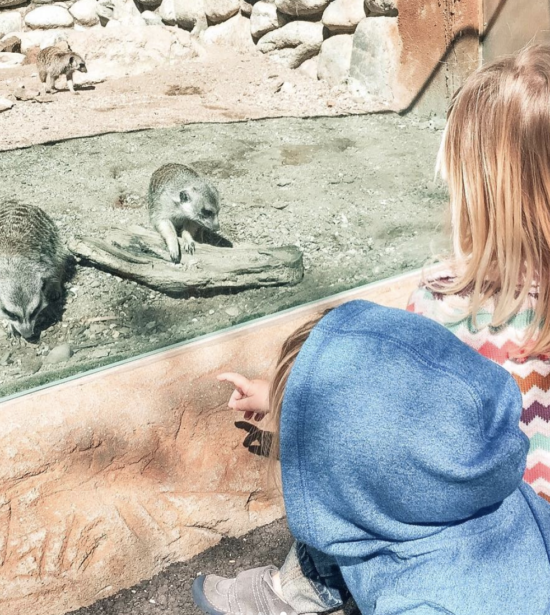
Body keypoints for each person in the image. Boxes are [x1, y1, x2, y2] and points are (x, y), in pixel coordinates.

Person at [193, 43, 550, 614]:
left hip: (457, 522)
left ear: (471, 189)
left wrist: (288, 398)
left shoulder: (445, 302)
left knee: (353, 480)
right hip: (527, 533)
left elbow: (367, 415)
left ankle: (297, 592)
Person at [193, 300, 550, 615]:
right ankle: (303, 586)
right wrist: (282, 398)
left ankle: (307, 587)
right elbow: (387, 423)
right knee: (352, 492)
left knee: (337, 493)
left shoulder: (426, 604)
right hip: (399, 518)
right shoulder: (476, 473)